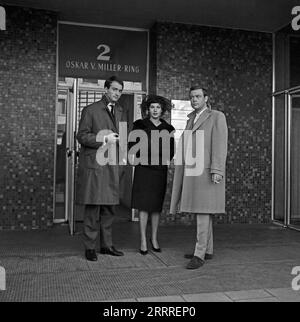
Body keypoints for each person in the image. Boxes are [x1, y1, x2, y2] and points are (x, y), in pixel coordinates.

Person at [170, 86, 228, 269]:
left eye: (198, 96)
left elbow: (220, 144)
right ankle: (207, 249)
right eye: (191, 97)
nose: (194, 99)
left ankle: (199, 253)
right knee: (202, 211)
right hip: (194, 170)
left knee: (203, 211)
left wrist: (217, 170)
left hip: (207, 171)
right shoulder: (191, 118)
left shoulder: (217, 116)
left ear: (206, 98)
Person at [76, 76, 127, 261]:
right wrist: (104, 139)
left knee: (110, 209)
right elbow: (81, 136)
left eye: (120, 90)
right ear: (106, 89)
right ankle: (89, 248)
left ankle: (106, 245)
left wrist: (123, 160)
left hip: (113, 166)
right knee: (93, 208)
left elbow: (123, 137)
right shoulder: (90, 110)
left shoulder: (121, 110)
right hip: (96, 166)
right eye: (114, 89)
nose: (117, 93)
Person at [129, 95, 175, 255]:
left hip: (159, 170)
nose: (155, 110)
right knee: (143, 206)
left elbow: (171, 151)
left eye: (158, 108)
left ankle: (154, 238)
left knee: (156, 207)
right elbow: (131, 145)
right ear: (147, 110)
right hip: (143, 169)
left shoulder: (168, 128)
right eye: (152, 107)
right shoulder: (139, 125)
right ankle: (142, 240)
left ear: (162, 110)